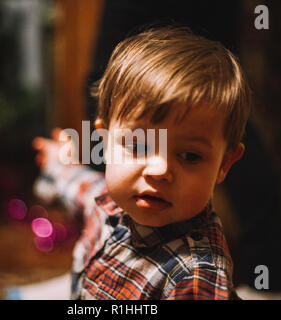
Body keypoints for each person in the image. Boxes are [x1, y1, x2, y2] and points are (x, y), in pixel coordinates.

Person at [33, 26, 250, 299]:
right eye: (138, 146)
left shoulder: (196, 275)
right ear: (105, 142)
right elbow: (79, 186)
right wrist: (58, 162)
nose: (159, 171)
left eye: (190, 156)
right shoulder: (108, 204)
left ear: (224, 164)